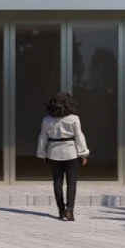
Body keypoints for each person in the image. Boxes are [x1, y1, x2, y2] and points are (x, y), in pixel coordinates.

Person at [36, 92, 89, 221]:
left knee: (57, 182)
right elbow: (79, 136)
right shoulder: (74, 119)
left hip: (53, 153)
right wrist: (83, 153)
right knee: (71, 183)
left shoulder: (46, 120)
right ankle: (70, 210)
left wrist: (42, 153)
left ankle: (61, 211)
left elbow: (43, 137)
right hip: (71, 152)